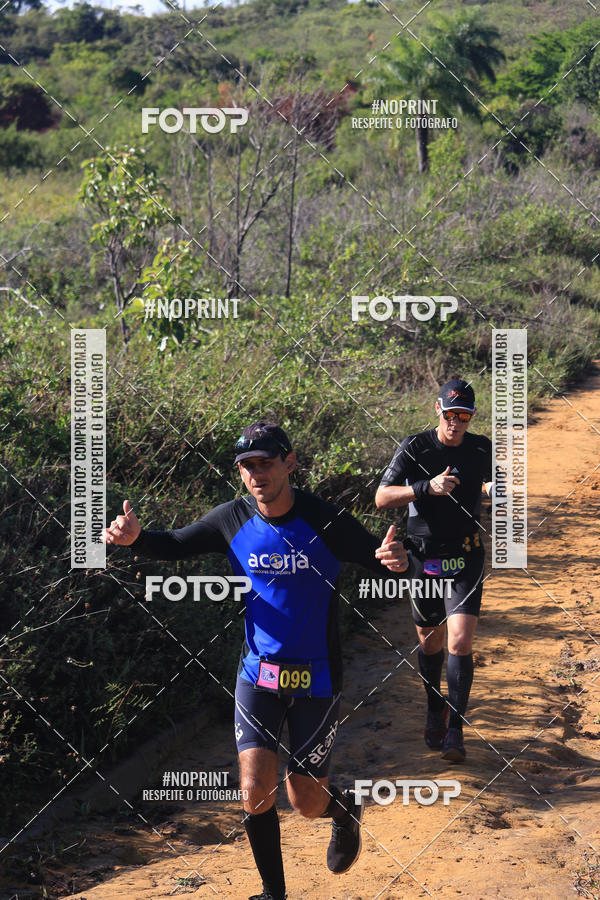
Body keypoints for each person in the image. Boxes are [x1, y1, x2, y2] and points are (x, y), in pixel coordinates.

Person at [103, 421, 409, 900]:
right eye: (247, 466)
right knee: (254, 790)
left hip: (318, 678)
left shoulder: (323, 521)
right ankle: (274, 894)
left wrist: (397, 559)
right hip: (257, 676)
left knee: (304, 800)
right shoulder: (232, 518)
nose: (256, 473)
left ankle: (342, 810)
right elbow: (178, 544)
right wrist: (137, 539)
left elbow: (380, 557)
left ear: (289, 463)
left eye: (265, 462)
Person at [375, 379, 492, 763]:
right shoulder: (415, 446)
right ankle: (433, 706)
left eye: (464, 416)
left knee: (459, 641)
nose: (456, 423)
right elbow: (382, 497)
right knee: (430, 640)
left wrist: (495, 489)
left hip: (466, 555)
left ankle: (455, 730)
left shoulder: (480, 448)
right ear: (436, 409)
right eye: (450, 414)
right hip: (424, 557)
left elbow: (493, 481)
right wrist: (427, 487)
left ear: (472, 417)